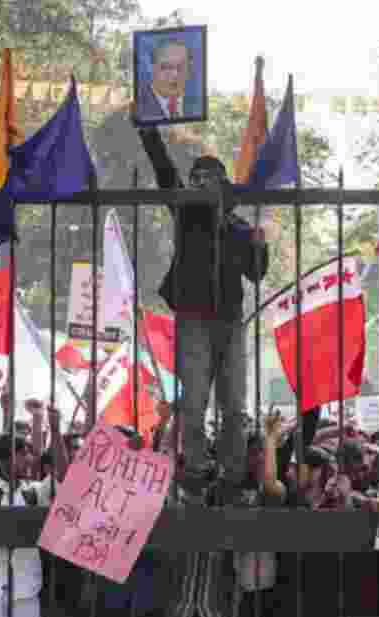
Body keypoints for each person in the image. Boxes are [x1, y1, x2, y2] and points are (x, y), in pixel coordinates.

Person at [136, 124, 270, 504]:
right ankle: (195, 469)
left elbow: (256, 273)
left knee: (233, 402)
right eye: (198, 181)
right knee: (194, 400)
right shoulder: (187, 217)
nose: (203, 187)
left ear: (223, 188)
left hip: (230, 321)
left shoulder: (239, 227)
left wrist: (259, 247)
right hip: (194, 319)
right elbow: (165, 174)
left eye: (210, 181)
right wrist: (147, 131)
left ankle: (231, 473)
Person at [136, 37, 201, 122]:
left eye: (181, 66)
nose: (175, 74)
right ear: (152, 68)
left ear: (189, 69)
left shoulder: (197, 104)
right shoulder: (137, 106)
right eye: (166, 67)